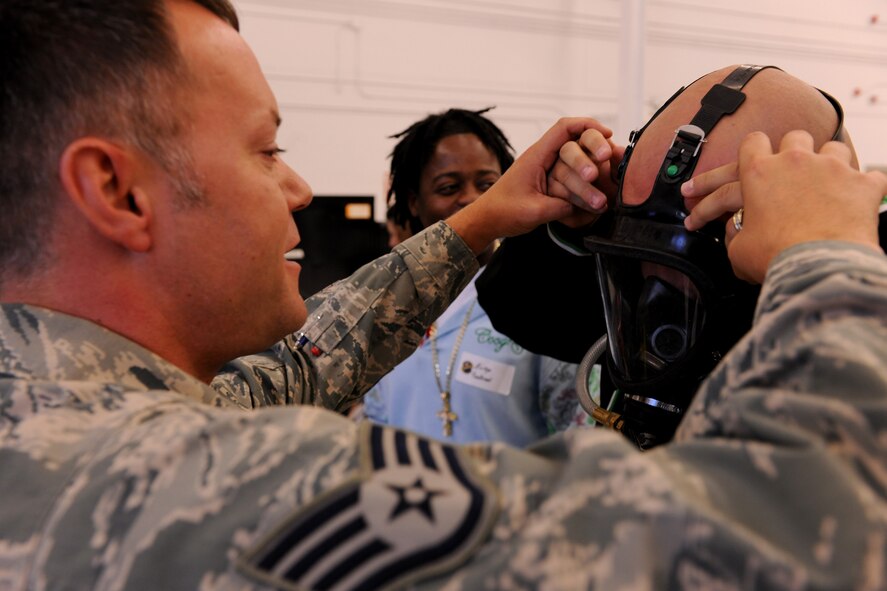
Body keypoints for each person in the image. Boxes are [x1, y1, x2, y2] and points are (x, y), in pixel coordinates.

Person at [3, 3, 887, 588]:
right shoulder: (174, 486)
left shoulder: (56, 416)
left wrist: (476, 228)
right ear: (117, 193)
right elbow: (791, 528)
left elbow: (302, 365)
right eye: (265, 150)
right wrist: (828, 254)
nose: (299, 187)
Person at [476, 64, 866, 447]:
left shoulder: (848, 334)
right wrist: (573, 219)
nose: (653, 297)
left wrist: (814, 264)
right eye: (643, 257)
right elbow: (512, 303)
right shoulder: (632, 294)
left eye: (687, 258)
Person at [362, 108, 582, 445]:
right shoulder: (387, 307)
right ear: (414, 202)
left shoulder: (536, 299)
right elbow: (374, 424)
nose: (471, 198)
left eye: (487, 184)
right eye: (449, 187)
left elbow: (575, 435)